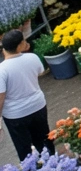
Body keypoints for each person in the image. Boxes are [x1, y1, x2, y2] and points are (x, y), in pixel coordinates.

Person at [0, 30, 49, 159]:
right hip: (38, 106)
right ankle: (55, 165)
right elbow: (40, 73)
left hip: (15, 115)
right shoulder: (32, 57)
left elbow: (1, 98)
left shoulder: (2, 70)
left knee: (24, 149)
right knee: (44, 140)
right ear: (20, 45)